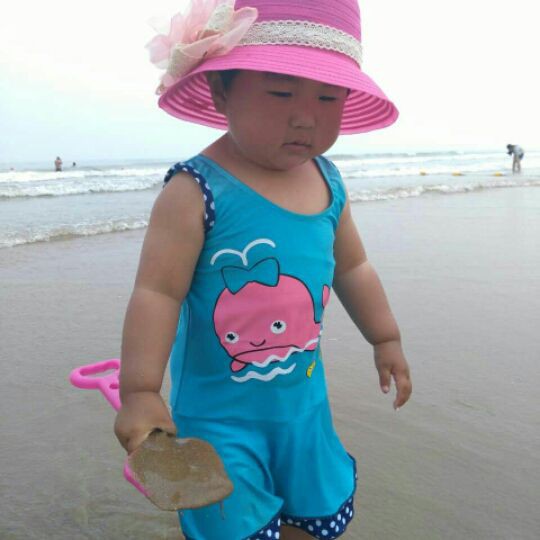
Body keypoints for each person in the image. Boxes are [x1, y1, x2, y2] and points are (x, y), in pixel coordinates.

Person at [114, 1, 412, 539]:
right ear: (221, 91)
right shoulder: (195, 191)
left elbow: (354, 268)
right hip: (219, 422)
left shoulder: (329, 181)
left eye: (328, 97)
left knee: (309, 517)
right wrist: (140, 391)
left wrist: (385, 337)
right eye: (280, 93)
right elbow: (157, 293)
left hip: (303, 410)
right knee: (233, 523)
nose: (305, 117)